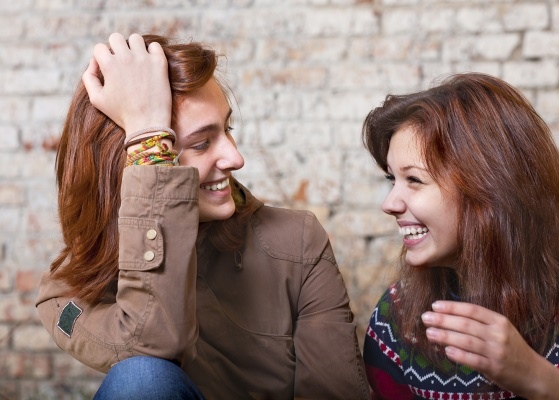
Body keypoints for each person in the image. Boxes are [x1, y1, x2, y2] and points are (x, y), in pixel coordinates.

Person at [36, 32, 369, 400]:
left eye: (228, 129)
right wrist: (150, 144)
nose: (236, 158)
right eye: (201, 143)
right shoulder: (66, 294)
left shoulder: (296, 240)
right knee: (143, 379)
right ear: (125, 162)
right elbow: (153, 342)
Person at [361, 72, 559, 399]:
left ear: (489, 186)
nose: (389, 204)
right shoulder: (394, 317)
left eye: (414, 180)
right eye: (392, 180)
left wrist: (531, 375)